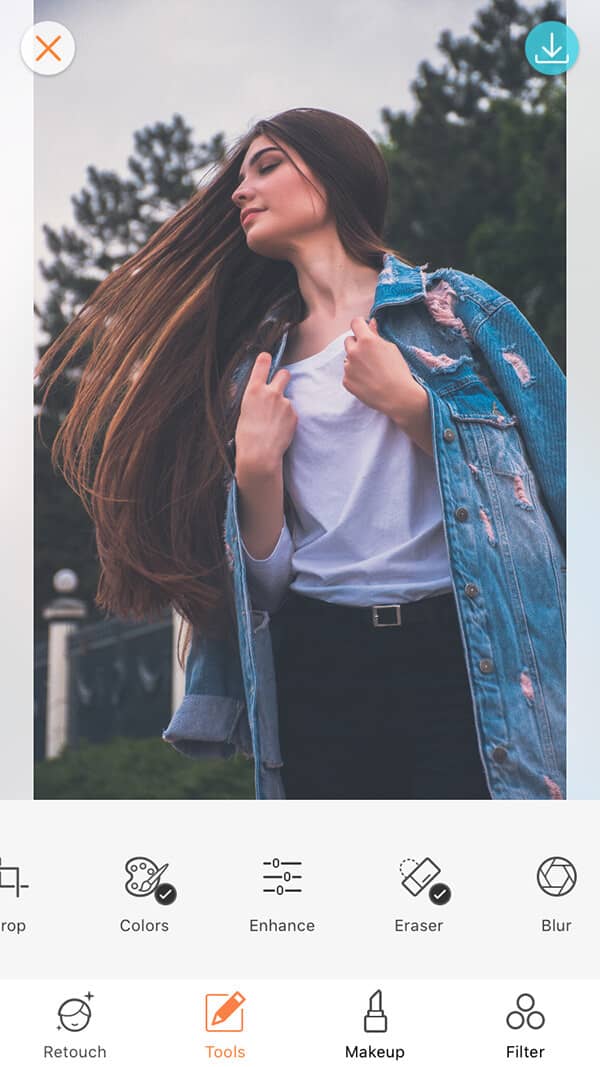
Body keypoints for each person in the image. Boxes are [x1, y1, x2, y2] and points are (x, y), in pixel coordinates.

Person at [36, 108, 565, 801]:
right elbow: (269, 588)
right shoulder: (253, 371)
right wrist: (255, 472)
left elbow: (565, 478)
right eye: (242, 173)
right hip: (319, 662)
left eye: (267, 165)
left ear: (333, 175)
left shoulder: (458, 311)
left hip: (468, 653)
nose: (239, 190)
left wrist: (413, 408)